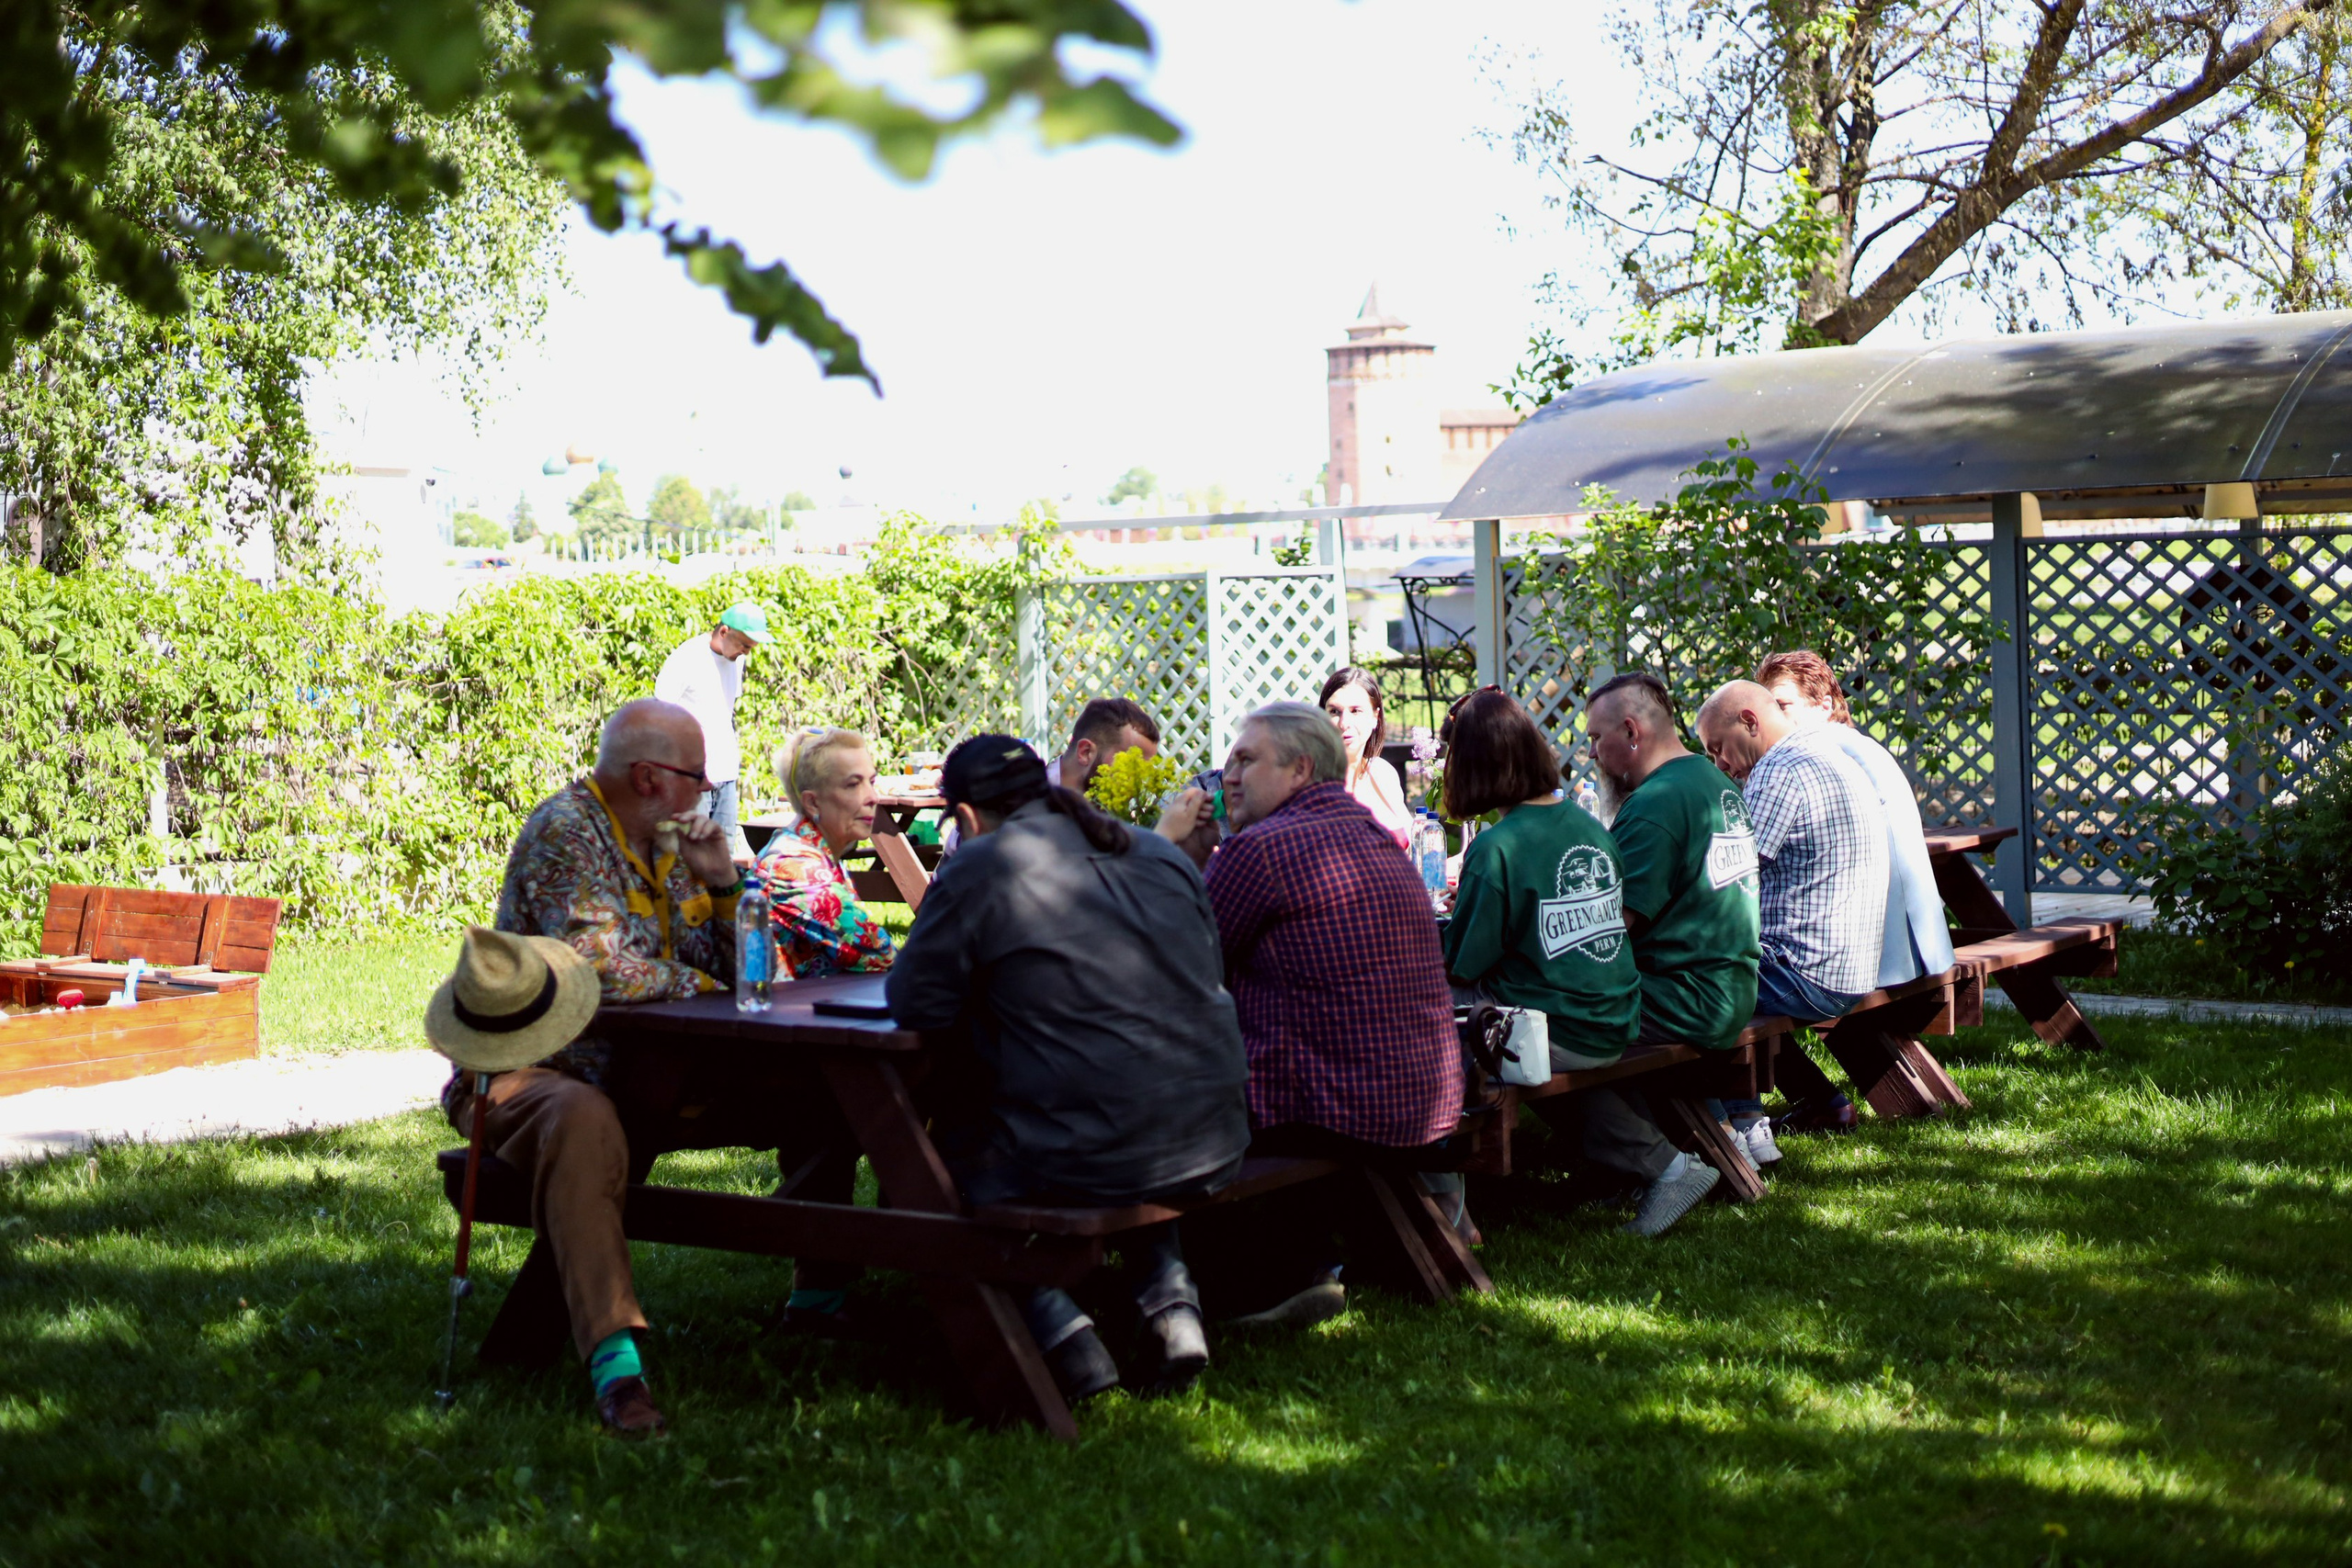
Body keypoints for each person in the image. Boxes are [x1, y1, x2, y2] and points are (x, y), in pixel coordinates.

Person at [451, 699, 859, 1433]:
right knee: (586, 1125)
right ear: (647, 777)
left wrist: (726, 885)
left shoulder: (674, 846)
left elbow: (760, 976)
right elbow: (597, 971)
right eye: (696, 777)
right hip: (537, 1072)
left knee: (835, 1088)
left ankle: (820, 1300)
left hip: (666, 1075)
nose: (707, 792)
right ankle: (618, 1373)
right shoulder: (566, 834)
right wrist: (701, 985)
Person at [886, 736, 1250, 1402]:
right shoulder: (1158, 852)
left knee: (948, 1153)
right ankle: (1172, 1307)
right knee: (1123, 1089)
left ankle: (1062, 1330)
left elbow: (915, 1002)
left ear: (964, 818)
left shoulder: (982, 863)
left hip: (1091, 1150)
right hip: (1214, 1135)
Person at [1198, 702, 1461, 1325]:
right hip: (1425, 1095)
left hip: (1334, 1106)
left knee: (1167, 1100)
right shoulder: (1377, 835)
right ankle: (1302, 1260)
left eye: (1245, 759)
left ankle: (1238, 1285)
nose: (1227, 775)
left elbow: (1172, 970)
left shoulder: (1259, 850)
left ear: (1300, 769)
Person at [1443, 689, 1719, 1235]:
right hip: (1615, 1015)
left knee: (1429, 1026)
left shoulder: (1497, 847)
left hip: (1561, 1027)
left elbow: (1462, 965)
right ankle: (1655, 1164)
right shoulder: (1589, 825)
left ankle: (1445, 1208)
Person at [1583, 671, 1770, 1164]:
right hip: (1733, 984)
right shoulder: (1712, 779)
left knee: (1546, 1017)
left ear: (1630, 732)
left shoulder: (1655, 805)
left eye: (1596, 739)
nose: (1592, 753)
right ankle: (1709, 1140)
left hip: (1685, 999)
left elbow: (1607, 932)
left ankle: (1648, 1163)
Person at [1694, 680, 1891, 1138]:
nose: (1720, 764)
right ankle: (1825, 1104)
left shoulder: (1777, 771)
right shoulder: (1827, 753)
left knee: (1694, 984)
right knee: (1730, 969)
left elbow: (1729, 882)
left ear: (1750, 721)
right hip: (1853, 967)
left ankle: (1738, 1127)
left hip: (1807, 972)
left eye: (1719, 748)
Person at [1755, 650, 1955, 988]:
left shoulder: (1819, 758)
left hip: (1882, 962)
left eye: (1783, 706)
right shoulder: (1858, 747)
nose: (1773, 720)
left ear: (1825, 705)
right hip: (1922, 952)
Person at [755, 728, 896, 979]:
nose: (872, 797)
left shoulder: (819, 851)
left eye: (871, 782)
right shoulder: (793, 865)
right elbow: (877, 952)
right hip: (777, 1014)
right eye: (853, 784)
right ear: (812, 802)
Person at [939, 697, 1161, 855]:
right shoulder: (1016, 799)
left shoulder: (1112, 811)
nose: (1138, 778)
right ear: (1085, 752)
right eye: (1129, 762)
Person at [653, 602, 770, 862]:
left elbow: (722, 713)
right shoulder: (687, 658)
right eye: (745, 646)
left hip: (725, 773)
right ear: (724, 631)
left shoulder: (735, 660)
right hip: (691, 778)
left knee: (721, 861)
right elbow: (660, 715)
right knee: (689, 859)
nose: (746, 653)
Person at [1319, 666, 1414, 846]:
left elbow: (1414, 847)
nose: (1344, 723)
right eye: (1334, 711)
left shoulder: (1382, 772)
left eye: (1355, 711)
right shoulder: (1312, 783)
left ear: (1375, 717)